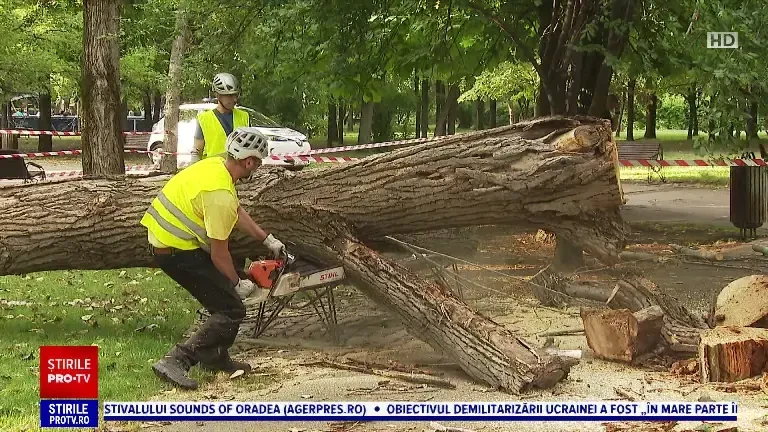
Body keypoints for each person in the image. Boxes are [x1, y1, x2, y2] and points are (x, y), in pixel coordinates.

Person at [139, 127, 288, 390]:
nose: (258, 168)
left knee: (223, 297)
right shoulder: (218, 194)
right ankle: (177, 359)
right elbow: (220, 253)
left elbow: (237, 211)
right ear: (249, 161)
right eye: (258, 162)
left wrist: (266, 239)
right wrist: (236, 283)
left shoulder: (217, 167)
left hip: (170, 243)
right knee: (231, 308)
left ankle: (215, 356)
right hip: (175, 253)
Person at [192, 73, 251, 162]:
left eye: (236, 95)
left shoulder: (244, 117)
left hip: (238, 174)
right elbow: (196, 153)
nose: (235, 100)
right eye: (230, 96)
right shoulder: (204, 119)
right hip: (214, 173)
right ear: (218, 95)